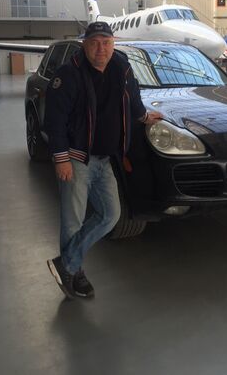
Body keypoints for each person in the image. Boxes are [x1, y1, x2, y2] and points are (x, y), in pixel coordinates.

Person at [45, 21, 162, 299]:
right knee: (73, 220)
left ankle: (66, 264)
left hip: (105, 159)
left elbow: (133, 98)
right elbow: (55, 120)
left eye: (106, 43)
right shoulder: (69, 74)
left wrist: (144, 116)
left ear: (113, 44)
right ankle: (74, 272)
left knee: (111, 215)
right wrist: (61, 159)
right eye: (95, 43)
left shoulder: (121, 67)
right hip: (76, 158)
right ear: (85, 45)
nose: (101, 49)